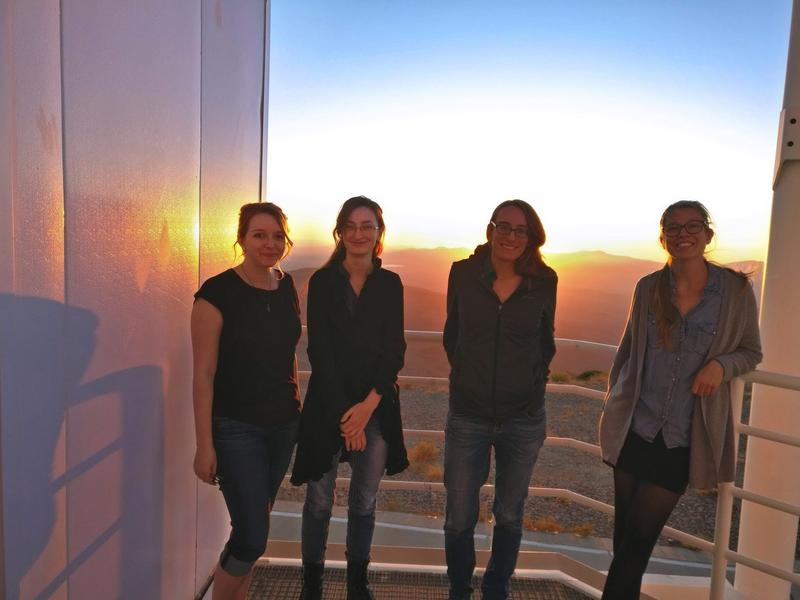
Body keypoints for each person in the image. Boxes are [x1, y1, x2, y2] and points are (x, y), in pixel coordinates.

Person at [599, 200, 762, 599]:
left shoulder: (735, 292)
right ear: (663, 236)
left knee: (637, 542)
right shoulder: (648, 288)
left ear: (707, 234)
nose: (683, 233)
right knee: (626, 542)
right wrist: (612, 408)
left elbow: (751, 351)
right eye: (673, 227)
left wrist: (721, 366)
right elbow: (628, 353)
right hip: (635, 427)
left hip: (682, 438)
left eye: (692, 226)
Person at [291, 196, 409, 600]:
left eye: (368, 226)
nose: (359, 233)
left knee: (363, 502)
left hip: (376, 408)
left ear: (379, 233)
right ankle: (312, 587)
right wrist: (348, 416)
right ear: (340, 232)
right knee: (319, 502)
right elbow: (319, 352)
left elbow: (394, 351)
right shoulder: (323, 283)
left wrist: (366, 410)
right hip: (329, 408)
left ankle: (357, 585)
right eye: (351, 226)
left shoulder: (390, 283)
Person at [442, 199, 557, 600]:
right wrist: (468, 380)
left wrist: (528, 385)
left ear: (531, 237)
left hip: (523, 418)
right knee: (458, 517)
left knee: (509, 513)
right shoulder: (462, 273)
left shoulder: (544, 281)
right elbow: (451, 335)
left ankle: (496, 589)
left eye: (520, 230)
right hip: (468, 415)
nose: (510, 236)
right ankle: (459, 589)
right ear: (490, 230)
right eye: (502, 227)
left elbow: (546, 343)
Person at [191, 202, 301, 600]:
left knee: (251, 529)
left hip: (283, 425)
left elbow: (287, 354)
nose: (269, 243)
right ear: (241, 239)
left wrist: (298, 411)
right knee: (254, 536)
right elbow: (202, 375)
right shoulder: (216, 293)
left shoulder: (286, 285)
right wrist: (204, 445)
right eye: (259, 235)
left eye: (276, 236)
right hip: (236, 427)